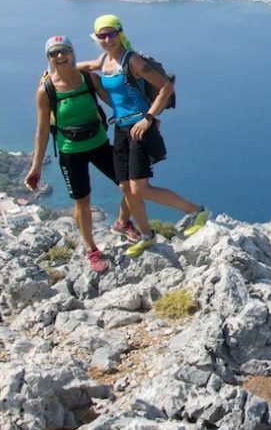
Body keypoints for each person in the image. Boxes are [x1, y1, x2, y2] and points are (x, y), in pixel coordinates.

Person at [78, 15, 209, 254]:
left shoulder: (133, 61)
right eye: (102, 35)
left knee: (140, 189)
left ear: (120, 33)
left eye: (112, 34)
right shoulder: (104, 60)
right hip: (120, 129)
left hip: (140, 128)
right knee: (126, 189)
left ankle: (197, 211)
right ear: (96, 38)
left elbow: (166, 87)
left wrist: (148, 118)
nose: (107, 39)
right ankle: (146, 235)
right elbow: (86, 67)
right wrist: (54, 71)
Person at [25, 36, 149, 273]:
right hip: (70, 152)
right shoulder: (46, 90)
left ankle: (122, 223)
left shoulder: (89, 79)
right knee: (83, 201)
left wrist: (146, 115)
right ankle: (92, 250)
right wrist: (36, 166)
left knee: (130, 185)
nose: (60, 56)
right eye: (54, 53)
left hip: (99, 144)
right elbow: (41, 130)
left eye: (65, 51)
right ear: (48, 58)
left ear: (73, 53)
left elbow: (116, 103)